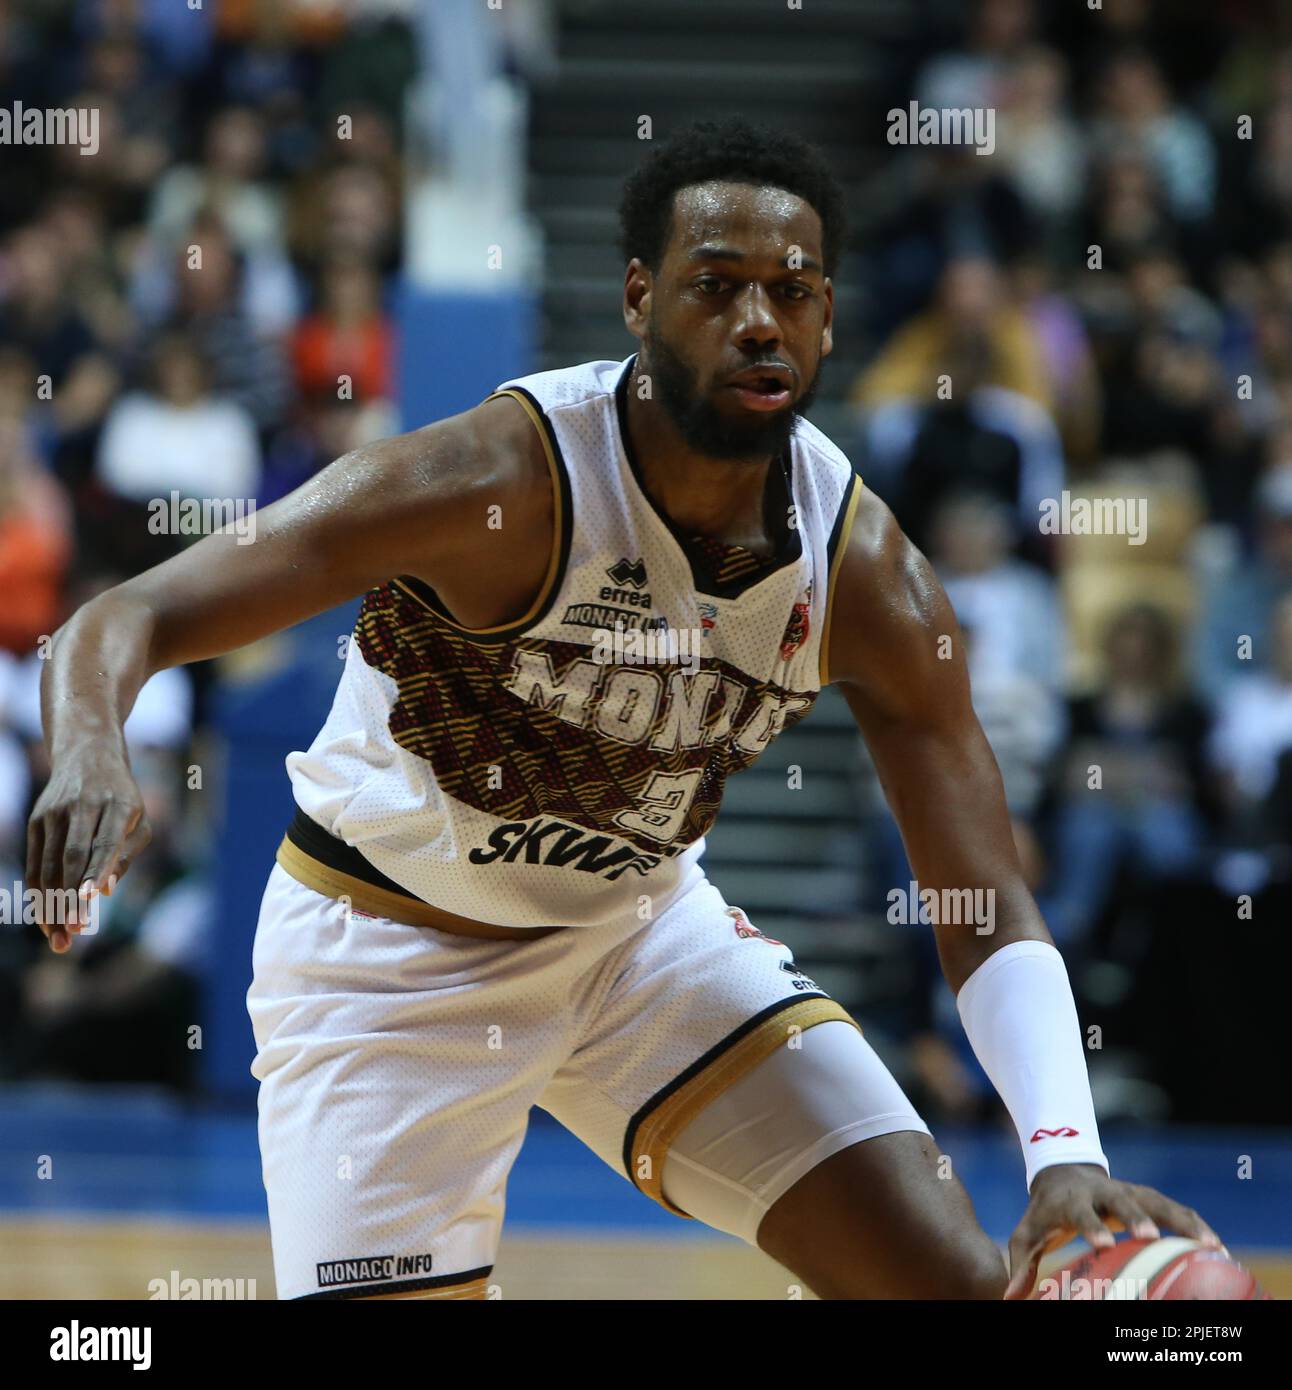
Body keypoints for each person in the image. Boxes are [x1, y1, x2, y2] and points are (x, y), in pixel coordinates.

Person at [26, 119, 1222, 1301]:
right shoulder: (499, 479)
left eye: (791, 291)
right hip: (388, 958)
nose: (758, 320)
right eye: (717, 286)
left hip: (639, 941)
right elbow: (121, 618)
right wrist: (89, 746)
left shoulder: (867, 576)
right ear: (640, 300)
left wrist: (1067, 1157)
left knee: (946, 1284)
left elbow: (981, 897)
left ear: (827, 320)